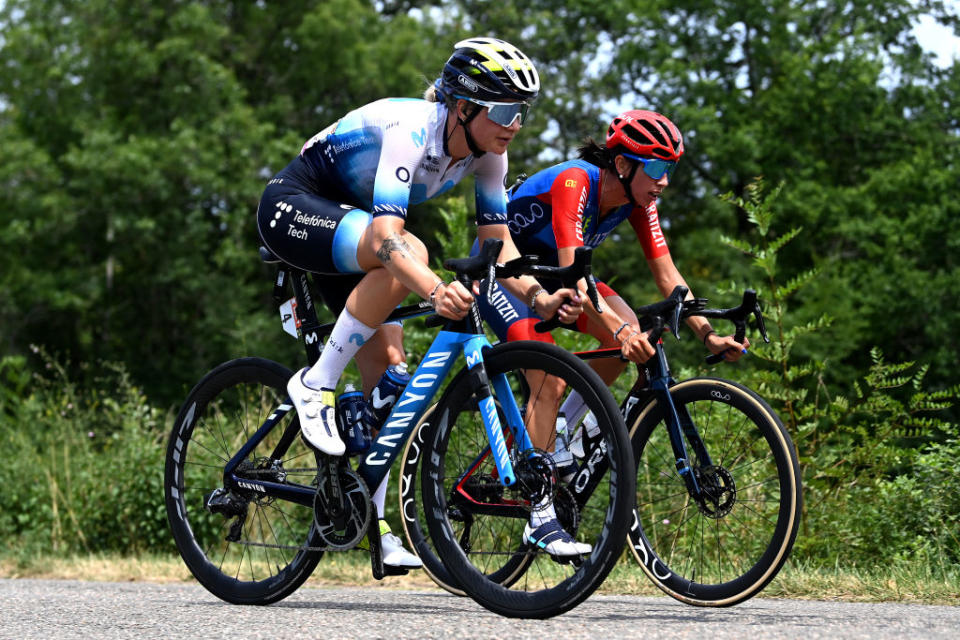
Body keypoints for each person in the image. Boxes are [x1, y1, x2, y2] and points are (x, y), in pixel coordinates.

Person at [256, 37, 584, 568]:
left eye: (521, 112)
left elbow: (498, 245)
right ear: (463, 105)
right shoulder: (412, 128)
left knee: (390, 379)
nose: (514, 124)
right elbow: (388, 239)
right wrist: (435, 289)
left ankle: (371, 523)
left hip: (354, 231)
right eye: (504, 109)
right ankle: (314, 383)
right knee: (412, 249)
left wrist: (540, 298)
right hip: (296, 207)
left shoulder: (489, 157)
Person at [475, 109, 750, 480]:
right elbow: (575, 277)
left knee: (628, 329)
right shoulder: (575, 182)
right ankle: (538, 508)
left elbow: (669, 277)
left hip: (554, 276)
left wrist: (709, 335)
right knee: (549, 378)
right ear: (622, 164)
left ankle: (558, 430)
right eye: (655, 169)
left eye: (670, 169)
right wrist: (623, 333)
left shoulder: (639, 202)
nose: (664, 181)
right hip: (505, 276)